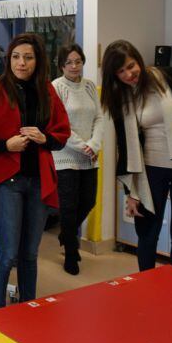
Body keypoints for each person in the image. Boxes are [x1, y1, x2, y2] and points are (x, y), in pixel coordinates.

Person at [0, 33, 70, 310]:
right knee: (7, 253)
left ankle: (28, 311)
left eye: (28, 57)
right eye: (15, 57)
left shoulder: (47, 92)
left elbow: (61, 135)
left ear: (38, 61)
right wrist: (6, 144)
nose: (21, 63)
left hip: (38, 180)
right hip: (8, 182)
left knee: (30, 253)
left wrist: (44, 138)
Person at [101, 40, 172, 272]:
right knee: (148, 235)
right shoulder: (120, 99)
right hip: (149, 171)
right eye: (120, 71)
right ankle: (147, 287)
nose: (129, 74)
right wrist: (130, 192)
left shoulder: (169, 77)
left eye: (131, 66)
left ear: (139, 60)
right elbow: (124, 147)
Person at [51, 43, 103, 275]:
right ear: (61, 64)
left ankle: (65, 235)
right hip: (65, 156)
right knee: (69, 207)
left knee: (88, 201)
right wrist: (83, 146)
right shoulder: (56, 87)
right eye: (69, 62)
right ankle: (71, 253)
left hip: (89, 156)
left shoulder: (90, 86)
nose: (74, 66)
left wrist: (93, 145)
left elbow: (100, 118)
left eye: (78, 61)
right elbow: (58, 124)